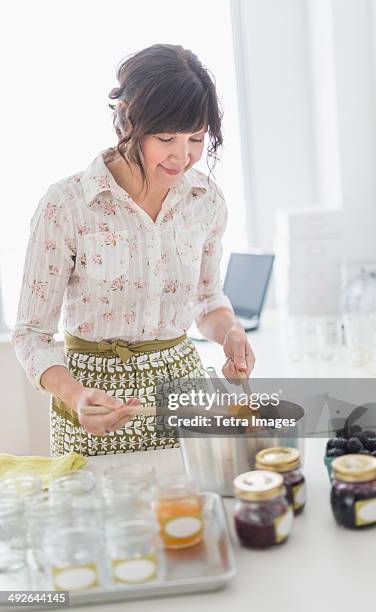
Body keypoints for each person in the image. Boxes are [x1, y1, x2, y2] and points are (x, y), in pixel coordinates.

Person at [12, 44, 255, 457]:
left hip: (185, 395)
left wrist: (229, 332)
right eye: (166, 138)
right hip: (94, 402)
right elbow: (31, 335)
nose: (183, 156)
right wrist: (74, 395)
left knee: (191, 515)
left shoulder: (206, 201)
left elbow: (208, 299)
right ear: (126, 118)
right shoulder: (67, 205)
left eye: (196, 138)